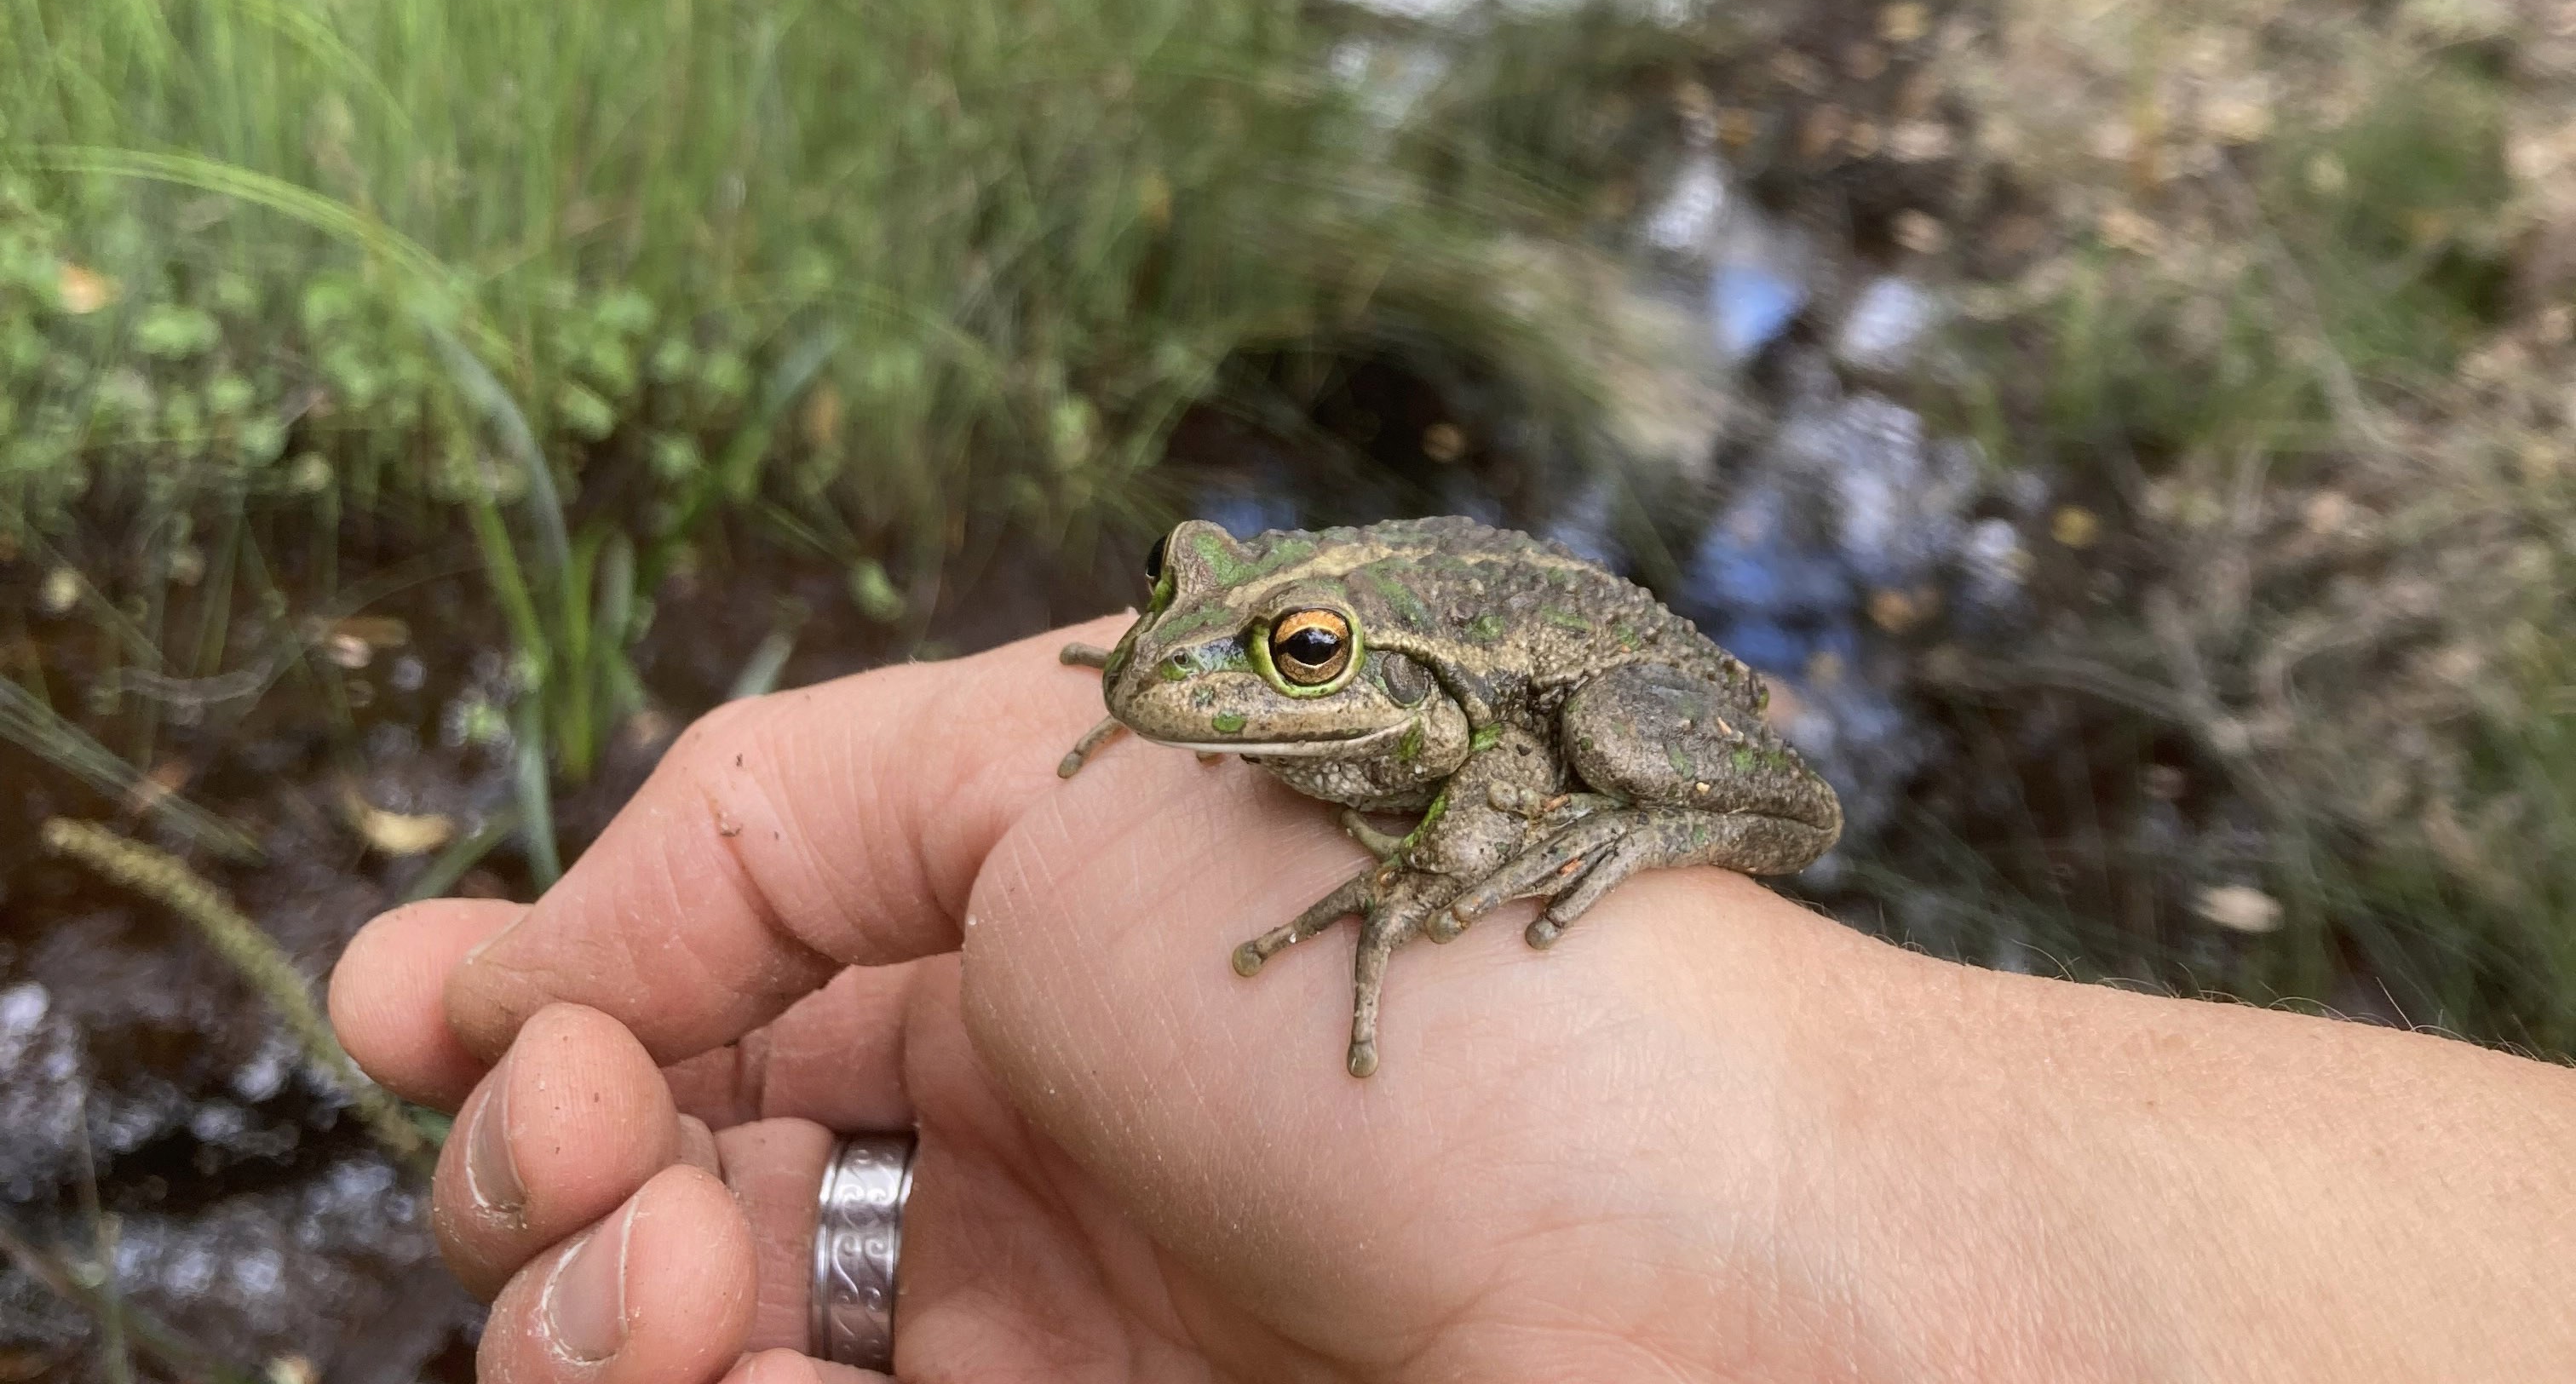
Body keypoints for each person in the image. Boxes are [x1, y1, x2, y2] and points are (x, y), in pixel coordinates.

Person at [328, 623, 2576, 1383]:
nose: (1209, 686)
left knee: (1574, 755)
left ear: (1358, 673)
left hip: (1591, 704)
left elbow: (1496, 753)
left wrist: (1441, 888)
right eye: (1196, 626)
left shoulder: (1435, 718)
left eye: (1291, 664)